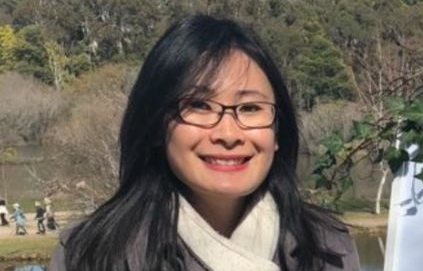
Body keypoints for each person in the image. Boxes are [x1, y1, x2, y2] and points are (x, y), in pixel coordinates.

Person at [49, 15, 360, 271]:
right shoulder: (91, 255)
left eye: (250, 108)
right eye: (199, 105)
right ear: (157, 125)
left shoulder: (326, 246)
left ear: (278, 132)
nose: (228, 134)